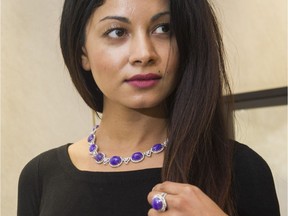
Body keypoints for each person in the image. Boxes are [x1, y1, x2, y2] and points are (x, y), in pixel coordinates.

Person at [17, 0, 280, 215]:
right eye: (117, 32)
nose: (144, 53)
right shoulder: (40, 177)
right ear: (82, 52)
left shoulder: (241, 169)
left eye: (163, 29)